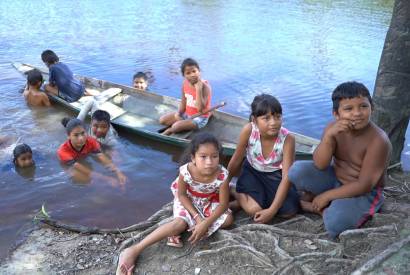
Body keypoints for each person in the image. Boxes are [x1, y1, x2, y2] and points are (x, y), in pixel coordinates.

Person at [116, 133, 233, 275]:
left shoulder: (222, 175)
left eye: (214, 156)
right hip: (188, 200)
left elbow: (223, 204)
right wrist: (197, 218)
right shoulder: (186, 171)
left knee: (228, 220)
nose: (209, 162)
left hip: (209, 201)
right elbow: (182, 195)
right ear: (193, 158)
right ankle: (134, 249)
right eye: (203, 156)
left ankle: (178, 232)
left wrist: (205, 223)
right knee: (179, 224)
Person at [288, 81, 392, 239]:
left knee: (336, 225)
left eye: (363, 106)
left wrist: (327, 196)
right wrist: (329, 137)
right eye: (349, 109)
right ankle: (328, 203)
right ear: (336, 114)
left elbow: (364, 185)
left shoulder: (378, 141)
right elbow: (320, 164)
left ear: (372, 107)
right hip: (335, 179)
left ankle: (316, 206)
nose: (357, 113)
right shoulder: (333, 129)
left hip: (364, 193)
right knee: (296, 170)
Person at [227, 94, 300, 224]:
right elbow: (236, 160)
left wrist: (272, 210)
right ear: (255, 120)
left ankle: (242, 201)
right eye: (266, 118)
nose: (273, 123)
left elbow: (286, 177)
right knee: (254, 209)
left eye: (277, 117)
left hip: (275, 176)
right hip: (252, 172)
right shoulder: (249, 130)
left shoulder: (288, 139)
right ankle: (234, 189)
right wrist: (223, 184)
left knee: (289, 212)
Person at [57, 118, 126, 185]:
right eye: (76, 135)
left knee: (114, 156)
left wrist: (118, 172)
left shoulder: (91, 141)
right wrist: (106, 178)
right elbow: (77, 166)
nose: (81, 138)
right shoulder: (63, 151)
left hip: (83, 156)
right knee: (83, 179)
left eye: (83, 133)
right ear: (68, 136)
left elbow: (101, 155)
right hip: (69, 164)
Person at [159, 58, 212, 135]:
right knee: (162, 120)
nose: (192, 75)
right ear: (184, 75)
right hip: (187, 114)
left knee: (175, 127)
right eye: (188, 73)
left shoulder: (206, 87)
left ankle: (170, 130)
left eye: (194, 71)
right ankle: (181, 123)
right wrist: (179, 113)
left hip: (200, 118)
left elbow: (200, 109)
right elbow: (183, 102)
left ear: (199, 71)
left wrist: (198, 90)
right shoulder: (185, 84)